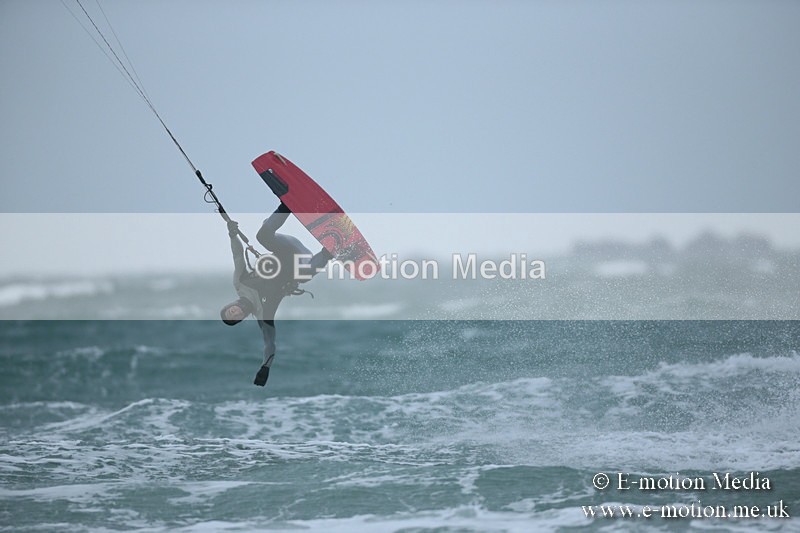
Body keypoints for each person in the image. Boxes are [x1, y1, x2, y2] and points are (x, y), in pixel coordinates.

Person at [220, 202, 333, 386]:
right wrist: (266, 367)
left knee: (262, 236)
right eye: (235, 318)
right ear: (241, 318)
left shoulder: (240, 283)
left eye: (230, 311)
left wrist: (233, 235)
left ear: (230, 305)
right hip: (303, 262)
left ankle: (286, 205)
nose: (234, 313)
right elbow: (269, 344)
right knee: (303, 275)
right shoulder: (263, 315)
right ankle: (329, 251)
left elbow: (238, 256)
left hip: (286, 248)